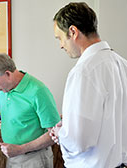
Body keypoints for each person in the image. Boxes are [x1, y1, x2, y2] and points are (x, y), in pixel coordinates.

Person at [50, 2, 127, 168]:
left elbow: (78, 141)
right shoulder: (122, 64)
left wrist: (60, 133)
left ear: (73, 32)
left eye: (60, 38)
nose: (61, 45)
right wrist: (71, 124)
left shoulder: (83, 72)